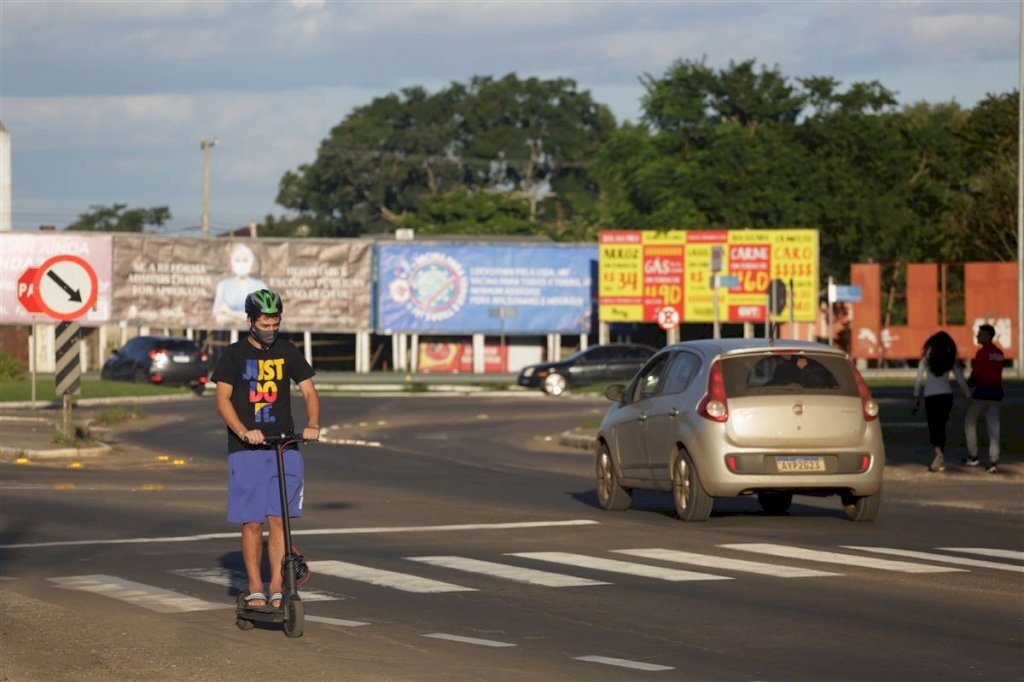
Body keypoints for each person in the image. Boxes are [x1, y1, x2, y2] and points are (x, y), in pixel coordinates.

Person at [211, 288, 320, 609]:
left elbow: (309, 391)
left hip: (285, 446)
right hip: (246, 450)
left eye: (275, 324)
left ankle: (276, 586)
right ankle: (255, 586)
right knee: (253, 522)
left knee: (279, 520)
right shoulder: (233, 355)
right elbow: (222, 399)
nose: (270, 330)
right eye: (264, 324)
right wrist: (244, 431)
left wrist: (313, 423)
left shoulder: (287, 351)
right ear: (250, 322)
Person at [913, 331, 970, 472]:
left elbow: (918, 378)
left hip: (930, 397)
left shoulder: (926, 359)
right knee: (941, 426)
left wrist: (916, 396)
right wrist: (967, 394)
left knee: (933, 427)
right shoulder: (949, 359)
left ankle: (938, 454)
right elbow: (960, 378)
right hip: (946, 396)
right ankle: (940, 456)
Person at [962, 324, 1005, 473]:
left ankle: (973, 456)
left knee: (969, 423)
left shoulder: (982, 352)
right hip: (996, 393)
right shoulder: (999, 353)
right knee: (994, 427)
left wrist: (967, 388)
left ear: (988, 336)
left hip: (982, 392)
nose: (977, 336)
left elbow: (977, 374)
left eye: (980, 334)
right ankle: (994, 461)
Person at [212, 243, 268, 327]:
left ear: (251, 262)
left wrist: (229, 313)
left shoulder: (260, 286)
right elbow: (219, 317)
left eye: (245, 260)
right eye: (237, 260)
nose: (241, 264)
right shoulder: (223, 286)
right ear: (232, 262)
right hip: (229, 332)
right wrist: (247, 318)